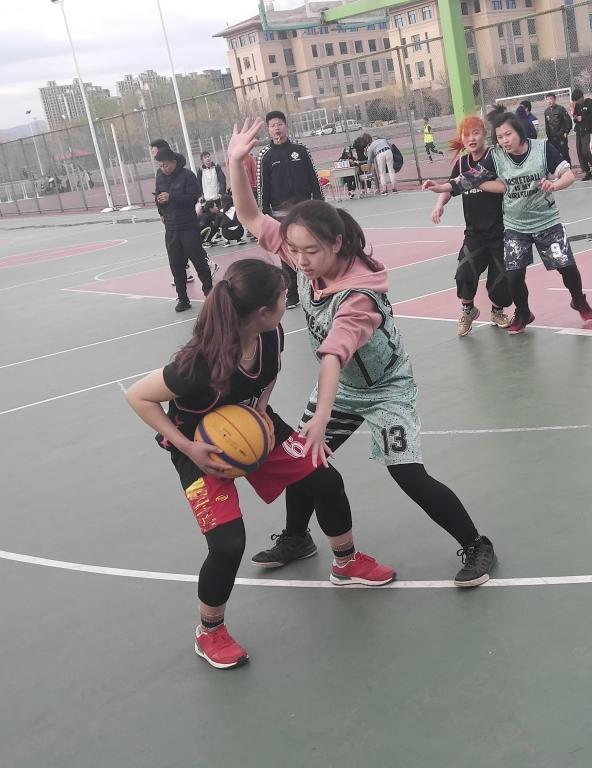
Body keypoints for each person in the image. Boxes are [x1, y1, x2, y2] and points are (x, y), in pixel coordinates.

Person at [227, 119, 498, 587]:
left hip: (386, 386)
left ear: (336, 244)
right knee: (303, 462)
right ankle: (297, 537)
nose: (299, 260)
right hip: (345, 386)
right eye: (293, 250)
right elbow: (250, 216)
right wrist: (236, 162)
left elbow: (334, 354)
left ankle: (477, 544)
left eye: (310, 252)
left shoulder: (358, 294)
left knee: (407, 472)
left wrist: (320, 419)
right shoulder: (303, 253)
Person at [125, 258, 395, 669]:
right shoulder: (197, 363)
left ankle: (346, 562)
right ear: (263, 311)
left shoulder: (271, 334)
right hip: (200, 448)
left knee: (324, 478)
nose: (289, 299)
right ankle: (209, 632)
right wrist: (187, 447)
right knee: (227, 543)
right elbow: (139, 396)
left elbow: (268, 376)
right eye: (284, 296)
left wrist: (263, 411)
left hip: (252, 425)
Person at [423, 112, 592, 335]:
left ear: (519, 132)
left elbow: (568, 175)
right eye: (500, 137)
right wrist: (441, 188)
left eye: (508, 134)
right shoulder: (496, 157)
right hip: (515, 227)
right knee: (513, 276)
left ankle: (578, 300)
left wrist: (555, 184)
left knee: (567, 267)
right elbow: (470, 177)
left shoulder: (543, 149)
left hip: (547, 222)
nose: (504, 140)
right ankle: (523, 313)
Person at [431, 115, 512, 336]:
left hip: (501, 231)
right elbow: (450, 187)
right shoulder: (461, 163)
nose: (472, 138)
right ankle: (468, 310)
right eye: (467, 135)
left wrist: (475, 182)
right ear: (462, 138)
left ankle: (497, 311)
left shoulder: (494, 158)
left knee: (501, 280)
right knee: (464, 272)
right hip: (475, 233)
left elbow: (504, 185)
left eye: (476, 133)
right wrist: (439, 205)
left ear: (484, 133)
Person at [256, 110, 323, 308]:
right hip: (280, 212)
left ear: (286, 126)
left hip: (304, 209)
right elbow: (262, 186)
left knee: (311, 247)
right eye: (272, 125)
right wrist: (264, 212)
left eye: (279, 124)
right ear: (268, 130)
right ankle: (293, 292)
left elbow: (314, 177)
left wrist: (319, 202)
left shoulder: (301, 150)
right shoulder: (265, 156)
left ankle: (317, 288)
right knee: (287, 253)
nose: (277, 128)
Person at [154, 146, 214, 311]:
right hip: (171, 228)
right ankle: (182, 298)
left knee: (198, 261)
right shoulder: (160, 177)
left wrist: (172, 197)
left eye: (166, 165)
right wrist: (160, 207)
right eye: (160, 166)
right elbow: (158, 197)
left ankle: (209, 293)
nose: (163, 168)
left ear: (173, 162)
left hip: (188, 225)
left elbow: (193, 198)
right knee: (176, 265)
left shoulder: (187, 175)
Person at [570, 87, 592, 181]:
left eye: (577, 100)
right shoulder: (577, 105)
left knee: (586, 151)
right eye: (575, 101)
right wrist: (575, 118)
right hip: (579, 131)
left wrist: (582, 118)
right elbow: (575, 116)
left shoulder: (589, 103)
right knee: (579, 152)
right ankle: (587, 172)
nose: (576, 102)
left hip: (587, 131)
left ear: (581, 97)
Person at [543, 92, 573, 164]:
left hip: (561, 137)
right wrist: (548, 136)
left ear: (554, 99)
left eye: (551, 99)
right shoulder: (546, 111)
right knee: (555, 155)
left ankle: (568, 168)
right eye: (547, 99)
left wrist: (566, 132)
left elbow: (568, 121)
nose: (549, 101)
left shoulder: (560, 109)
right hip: (552, 138)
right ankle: (559, 169)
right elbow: (547, 125)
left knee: (564, 154)